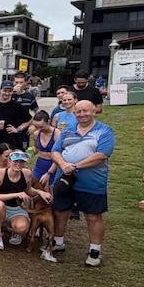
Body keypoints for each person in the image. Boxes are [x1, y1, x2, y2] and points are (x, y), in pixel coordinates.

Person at [49, 100, 114, 267]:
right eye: (78, 111)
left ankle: (95, 250)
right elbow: (55, 151)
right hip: (65, 180)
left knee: (93, 216)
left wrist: (76, 166)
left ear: (94, 111)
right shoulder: (67, 130)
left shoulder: (104, 131)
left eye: (86, 111)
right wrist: (63, 164)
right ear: (74, 113)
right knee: (60, 211)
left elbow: (102, 155)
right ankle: (58, 241)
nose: (82, 114)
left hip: (92, 182)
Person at [0, 150, 51, 252]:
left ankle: (14, 230)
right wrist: (16, 194)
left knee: (22, 227)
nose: (18, 164)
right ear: (9, 161)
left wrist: (40, 192)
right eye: (15, 161)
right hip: (1, 206)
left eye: (22, 161)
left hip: (17, 208)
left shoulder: (27, 173)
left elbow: (28, 190)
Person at [0, 81, 32, 154]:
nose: (7, 93)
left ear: (12, 91)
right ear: (0, 90)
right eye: (5, 91)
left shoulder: (16, 106)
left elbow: (29, 119)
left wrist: (17, 129)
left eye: (9, 91)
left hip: (10, 140)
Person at [30, 111, 61, 183]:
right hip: (40, 164)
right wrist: (29, 153)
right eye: (36, 127)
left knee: (52, 187)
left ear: (48, 122)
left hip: (54, 163)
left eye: (41, 127)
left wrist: (49, 172)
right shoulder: (36, 134)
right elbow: (36, 148)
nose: (39, 129)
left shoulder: (57, 134)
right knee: (35, 185)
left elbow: (60, 154)